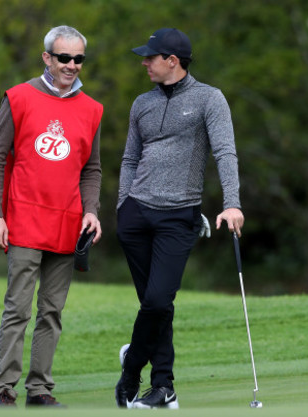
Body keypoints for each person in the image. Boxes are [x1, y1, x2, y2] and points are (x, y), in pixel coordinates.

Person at [114, 28, 245, 409]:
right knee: (156, 307)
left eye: (151, 57)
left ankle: (130, 369)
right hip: (136, 214)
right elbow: (129, 158)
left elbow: (225, 152)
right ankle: (163, 387)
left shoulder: (209, 99)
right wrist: (123, 206)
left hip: (178, 216)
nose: (144, 62)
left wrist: (232, 203)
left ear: (172, 61)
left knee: (157, 300)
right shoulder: (142, 103)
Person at [0, 25, 103, 408]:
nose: (71, 65)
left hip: (68, 224)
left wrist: (91, 211)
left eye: (78, 58)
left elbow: (92, 169)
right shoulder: (18, 97)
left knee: (51, 311)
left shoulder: (92, 109)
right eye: (64, 57)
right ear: (47, 58)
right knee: (17, 308)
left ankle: (40, 390)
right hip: (22, 220)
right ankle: (3, 388)